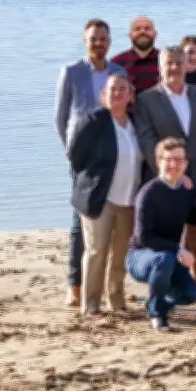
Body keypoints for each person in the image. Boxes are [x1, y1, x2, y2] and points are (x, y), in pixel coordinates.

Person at [55, 19, 125, 307]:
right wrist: (73, 153)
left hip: (113, 154)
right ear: (85, 41)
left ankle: (110, 287)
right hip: (84, 157)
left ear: (109, 41)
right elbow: (61, 118)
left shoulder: (118, 72)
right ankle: (75, 284)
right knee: (80, 221)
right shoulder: (71, 72)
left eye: (103, 38)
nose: (99, 43)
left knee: (112, 220)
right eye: (93, 39)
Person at [135, 46, 196, 288]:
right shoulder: (146, 100)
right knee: (168, 242)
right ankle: (167, 291)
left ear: (186, 66)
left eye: (178, 63)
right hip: (165, 186)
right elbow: (148, 142)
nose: (174, 68)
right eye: (168, 63)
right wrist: (172, 176)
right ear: (160, 67)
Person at [125, 137, 196, 331]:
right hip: (140, 257)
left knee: (189, 294)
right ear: (158, 162)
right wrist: (180, 249)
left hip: (169, 256)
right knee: (162, 259)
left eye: (179, 160)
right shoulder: (148, 194)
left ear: (186, 163)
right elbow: (144, 238)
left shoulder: (184, 190)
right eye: (168, 159)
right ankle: (157, 315)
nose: (174, 164)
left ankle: (156, 301)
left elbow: (193, 219)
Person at [68, 73, 140, 315]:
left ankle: (116, 300)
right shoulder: (93, 120)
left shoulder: (135, 122)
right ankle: (90, 304)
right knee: (97, 251)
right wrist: (92, 181)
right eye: (112, 90)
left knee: (120, 253)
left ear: (130, 95)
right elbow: (76, 156)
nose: (117, 93)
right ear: (103, 95)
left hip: (129, 199)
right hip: (99, 198)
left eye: (122, 89)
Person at [111, 16, 160, 94]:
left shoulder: (166, 60)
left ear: (155, 34)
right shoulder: (116, 63)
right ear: (130, 35)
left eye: (147, 28)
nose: (142, 31)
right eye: (137, 29)